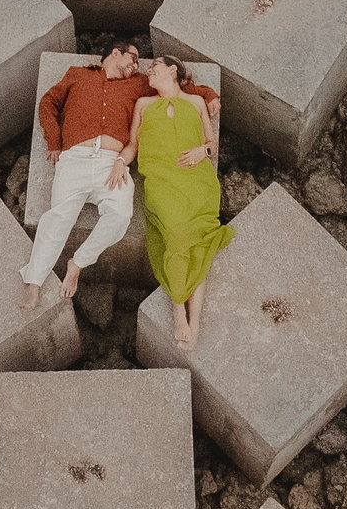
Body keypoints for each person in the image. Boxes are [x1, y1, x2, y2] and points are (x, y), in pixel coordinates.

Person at [21, 44, 217, 311]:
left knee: (121, 215)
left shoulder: (138, 85)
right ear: (115, 53)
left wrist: (209, 94)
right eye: (134, 59)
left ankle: (77, 263)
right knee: (58, 217)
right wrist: (53, 142)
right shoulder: (77, 74)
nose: (137, 67)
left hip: (111, 163)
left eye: (140, 64)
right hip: (74, 159)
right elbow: (48, 102)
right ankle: (34, 282)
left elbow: (176, 89)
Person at [133, 54, 231, 352]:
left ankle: (195, 322)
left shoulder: (197, 102)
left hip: (197, 182)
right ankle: (178, 309)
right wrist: (115, 166)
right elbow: (133, 145)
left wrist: (204, 150)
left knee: (198, 245)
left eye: (154, 67)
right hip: (161, 180)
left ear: (172, 69)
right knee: (176, 237)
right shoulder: (143, 105)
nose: (149, 72)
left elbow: (212, 143)